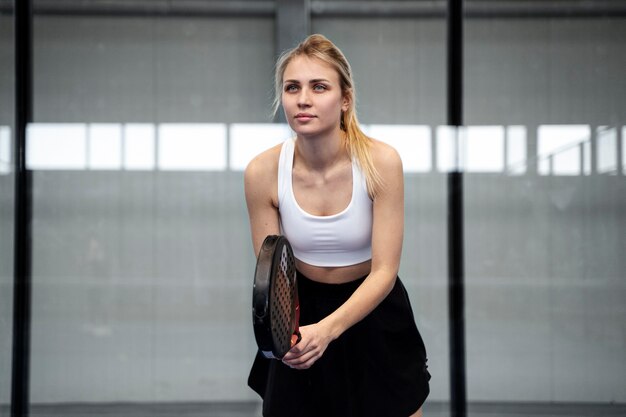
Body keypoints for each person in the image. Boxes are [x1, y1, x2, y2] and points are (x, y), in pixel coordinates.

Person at [244, 34, 430, 417]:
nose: (303, 99)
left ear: (345, 99)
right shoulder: (262, 172)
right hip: (299, 313)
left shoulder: (381, 163)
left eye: (319, 87)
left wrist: (329, 329)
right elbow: (274, 276)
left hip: (372, 308)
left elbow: (384, 272)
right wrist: (299, 332)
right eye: (292, 87)